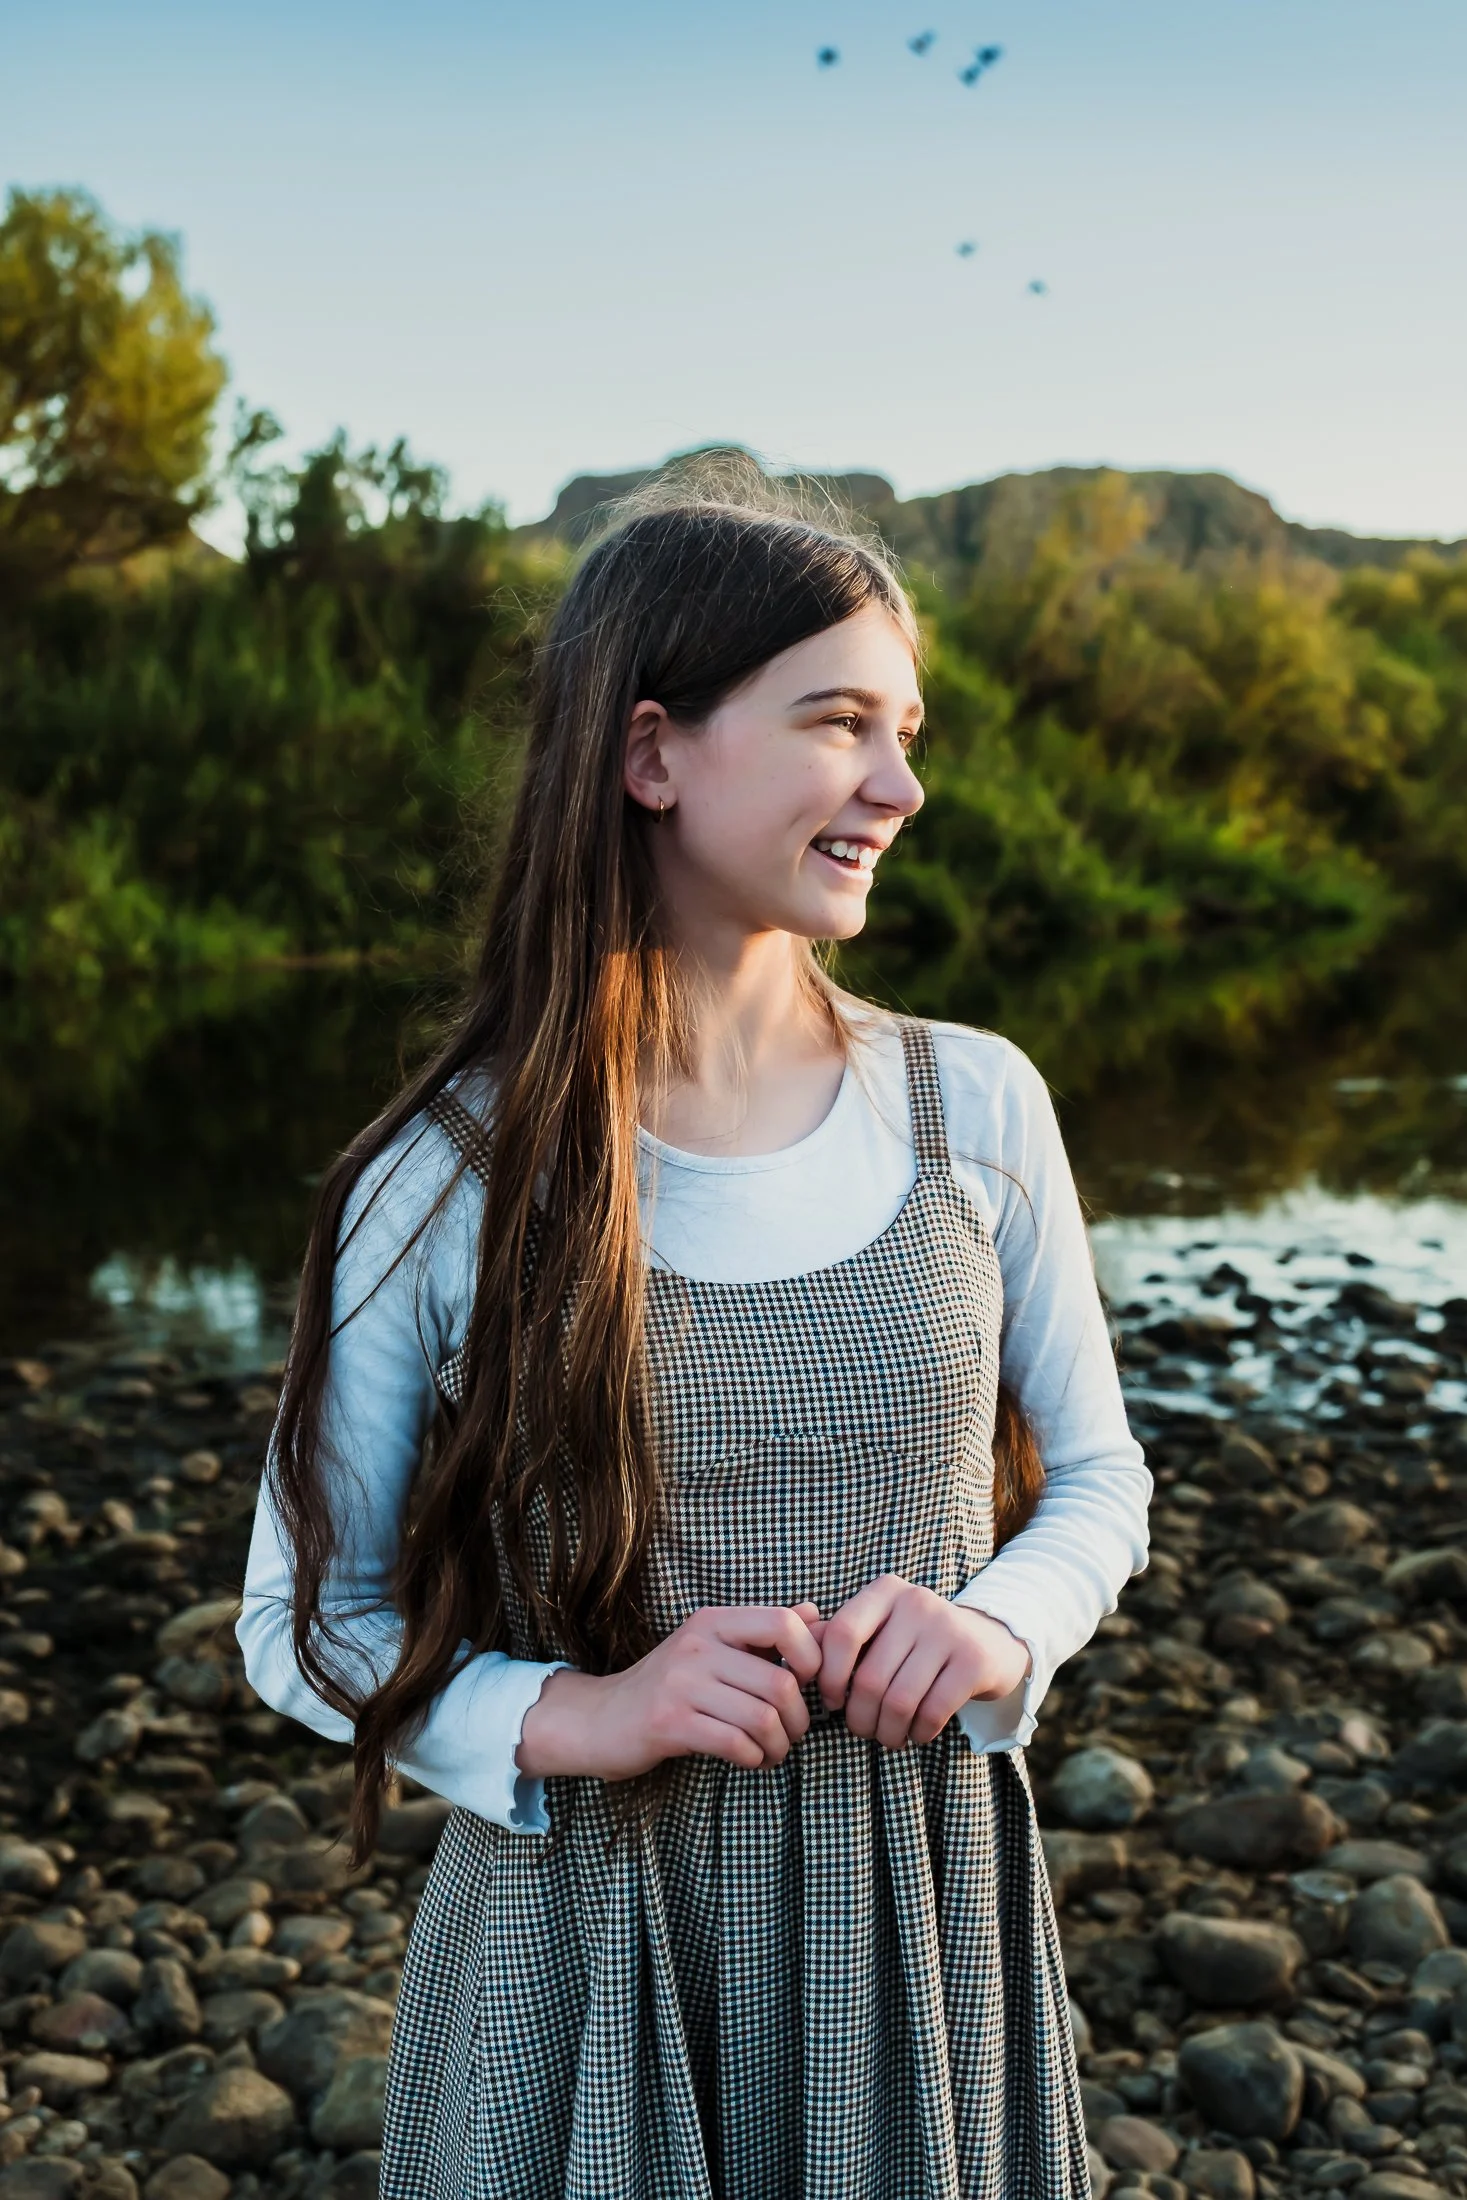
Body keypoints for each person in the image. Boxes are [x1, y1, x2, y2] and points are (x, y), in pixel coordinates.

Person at [237, 460, 1151, 2198]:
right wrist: (583, 1714)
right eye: (836, 724)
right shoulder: (447, 1179)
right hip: (583, 1949)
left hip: (920, 1921)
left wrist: (996, 1630)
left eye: (906, 727)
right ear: (650, 755)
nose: (900, 782)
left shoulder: (976, 1102)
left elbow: (1098, 1476)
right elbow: (305, 1621)